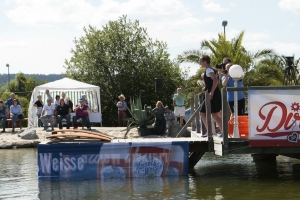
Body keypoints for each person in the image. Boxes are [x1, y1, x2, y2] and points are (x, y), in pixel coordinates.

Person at [199, 55, 223, 137]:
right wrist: (206, 87)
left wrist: (211, 92)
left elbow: (216, 81)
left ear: (205, 62)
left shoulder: (209, 70)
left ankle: (210, 131)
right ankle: (223, 131)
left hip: (212, 95)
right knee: (214, 115)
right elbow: (215, 82)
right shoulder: (212, 69)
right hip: (213, 93)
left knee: (202, 113)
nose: (200, 64)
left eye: (201, 62)